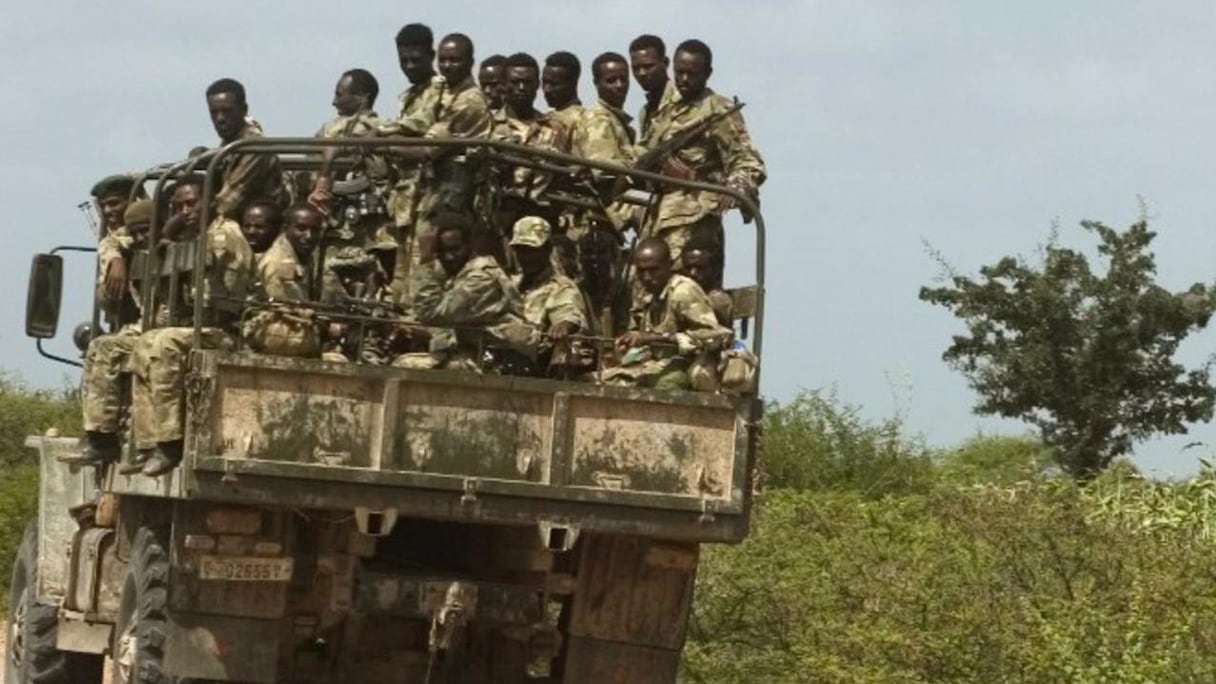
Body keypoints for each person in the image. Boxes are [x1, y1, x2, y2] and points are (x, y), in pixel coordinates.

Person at [129, 175, 255, 476]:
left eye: (192, 203)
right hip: (201, 328)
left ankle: (170, 442)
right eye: (179, 206)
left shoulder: (222, 233)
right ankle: (148, 443)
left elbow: (212, 276)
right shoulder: (194, 234)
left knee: (164, 344)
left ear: (211, 201)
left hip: (225, 330)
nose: (186, 211)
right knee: (144, 344)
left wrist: (169, 237)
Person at [637, 39, 766, 270]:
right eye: (679, 72)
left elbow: (749, 162)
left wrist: (731, 187)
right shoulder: (664, 111)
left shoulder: (717, 109)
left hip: (694, 222)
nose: (684, 79)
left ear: (707, 74)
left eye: (692, 73)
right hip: (657, 217)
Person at [65, 199, 154, 468]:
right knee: (100, 346)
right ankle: (98, 434)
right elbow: (116, 241)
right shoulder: (138, 247)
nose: (140, 237)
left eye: (145, 230)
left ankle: (105, 438)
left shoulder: (178, 246)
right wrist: (115, 257)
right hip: (147, 327)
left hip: (162, 328)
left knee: (107, 348)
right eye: (136, 231)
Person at [400, 213, 537, 371]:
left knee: (406, 366)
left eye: (455, 249)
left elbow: (432, 313)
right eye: (441, 252)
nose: (449, 257)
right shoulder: (460, 275)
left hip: (497, 360)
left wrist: (426, 261)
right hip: (475, 354)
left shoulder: (481, 278)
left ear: (471, 245)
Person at [604, 238, 730, 391]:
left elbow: (713, 337)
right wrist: (630, 338)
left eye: (654, 270)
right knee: (604, 380)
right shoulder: (649, 295)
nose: (647, 277)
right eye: (641, 271)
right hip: (656, 361)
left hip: (689, 364)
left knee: (665, 385)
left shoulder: (682, 292)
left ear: (669, 266)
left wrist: (654, 338)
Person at [243, 204, 325, 358]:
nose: (308, 236)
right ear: (286, 228)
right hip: (277, 341)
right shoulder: (281, 263)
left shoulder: (300, 256)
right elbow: (289, 313)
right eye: (301, 228)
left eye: (315, 230)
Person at [509, 217, 588, 372]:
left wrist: (564, 325)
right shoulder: (510, 283)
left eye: (532, 251)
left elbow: (569, 313)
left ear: (547, 249)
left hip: (533, 371)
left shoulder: (560, 287)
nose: (526, 257)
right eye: (520, 250)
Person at [206, 78, 287, 220]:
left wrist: (184, 219)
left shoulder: (253, 146)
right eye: (214, 112)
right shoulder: (229, 144)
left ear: (243, 110)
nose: (220, 118)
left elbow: (228, 202)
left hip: (261, 227)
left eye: (226, 111)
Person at [629, 34, 676, 142]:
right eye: (636, 68)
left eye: (648, 66)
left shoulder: (681, 101)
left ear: (665, 63)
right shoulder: (645, 112)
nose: (642, 73)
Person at [680, 233, 733, 327]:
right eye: (688, 268)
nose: (693, 273)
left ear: (716, 269)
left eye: (700, 268)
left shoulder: (717, 301)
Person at [542, 51, 584, 142]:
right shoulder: (547, 118)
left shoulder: (582, 121)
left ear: (573, 83)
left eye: (554, 84)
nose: (547, 89)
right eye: (544, 82)